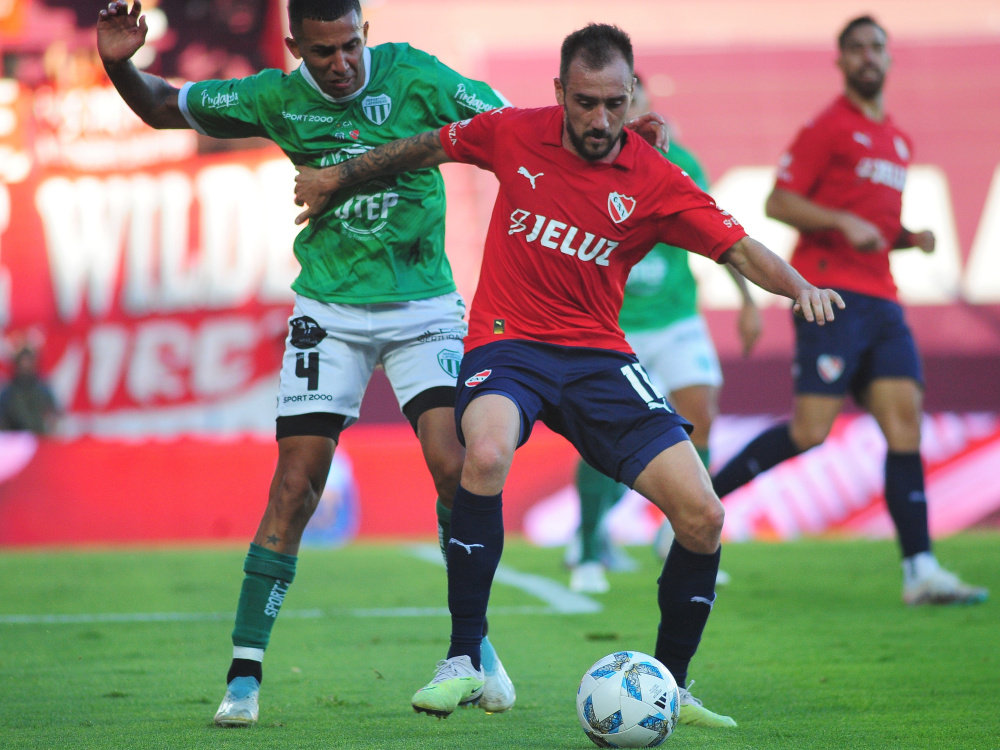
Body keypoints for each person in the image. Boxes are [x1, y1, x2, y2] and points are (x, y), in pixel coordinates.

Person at [294, 23, 843, 727]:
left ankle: (668, 688)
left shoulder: (655, 177)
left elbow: (738, 248)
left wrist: (799, 288)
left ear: (632, 92)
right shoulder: (513, 133)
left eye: (615, 103)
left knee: (704, 515)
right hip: (509, 343)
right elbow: (426, 146)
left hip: (598, 356)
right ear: (560, 93)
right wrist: (338, 177)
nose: (601, 119)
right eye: (586, 103)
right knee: (484, 452)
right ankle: (464, 657)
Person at [96, 0, 523, 727]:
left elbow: (511, 129)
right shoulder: (275, 96)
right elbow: (166, 108)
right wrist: (118, 63)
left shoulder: (416, 75)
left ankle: (473, 645)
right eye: (323, 51)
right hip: (328, 310)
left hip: (424, 307)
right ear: (296, 45)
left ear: (368, 34)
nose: (341, 63)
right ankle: (244, 674)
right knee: (295, 487)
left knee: (457, 466)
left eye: (351, 46)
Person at [710, 16, 987, 607]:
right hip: (831, 295)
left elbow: (875, 227)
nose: (868, 57)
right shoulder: (826, 129)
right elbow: (777, 200)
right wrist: (840, 221)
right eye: (857, 48)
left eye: (876, 48)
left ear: (888, 58)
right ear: (841, 61)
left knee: (904, 425)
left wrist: (908, 236)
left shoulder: (899, 141)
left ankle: (920, 570)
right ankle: (699, 505)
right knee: (810, 432)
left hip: (883, 299)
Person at [566, 73, 762, 594]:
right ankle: (588, 547)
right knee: (600, 439)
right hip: (613, 326)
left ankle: (684, 535)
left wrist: (746, 300)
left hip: (675, 318)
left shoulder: (683, 164)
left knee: (702, 414)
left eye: (636, 102)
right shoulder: (587, 164)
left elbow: (717, 232)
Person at [0, 346, 60, 435]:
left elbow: (54, 415)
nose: (25, 364)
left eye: (28, 360)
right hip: (16, 441)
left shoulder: (43, 390)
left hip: (40, 439)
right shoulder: (8, 393)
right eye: (22, 361)